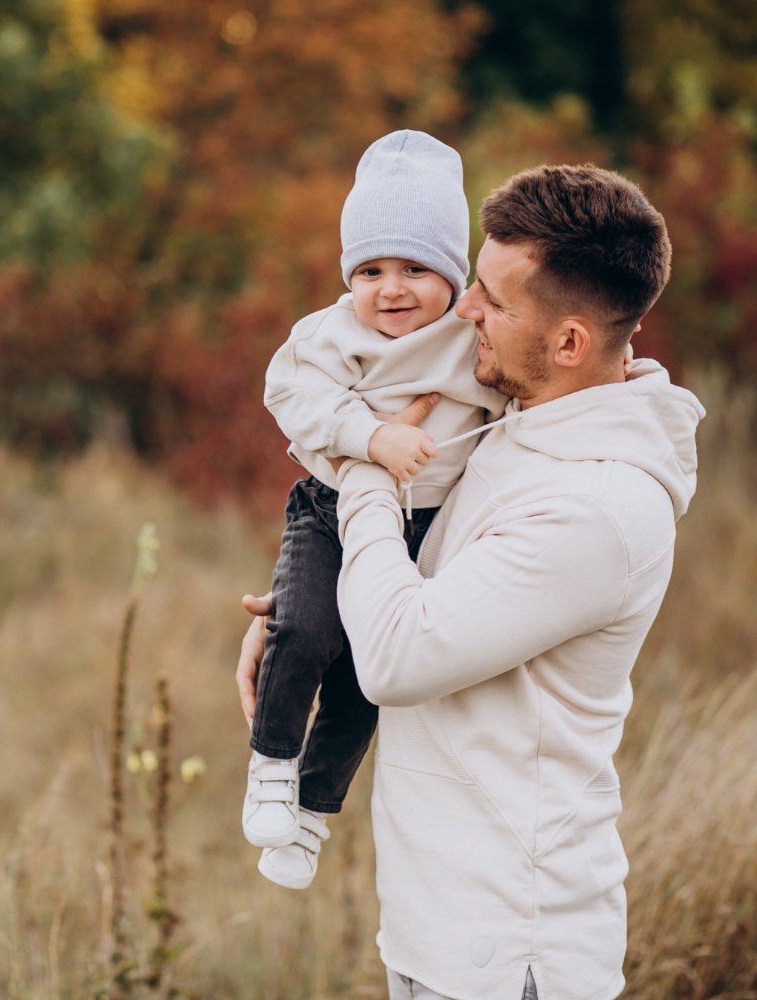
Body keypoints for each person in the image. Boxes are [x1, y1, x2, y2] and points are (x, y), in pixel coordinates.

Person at [236, 163, 705, 1000]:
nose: (462, 311)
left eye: (491, 298)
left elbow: (397, 656)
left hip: (509, 955)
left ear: (568, 343)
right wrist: (304, 615)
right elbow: (422, 576)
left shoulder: (596, 507)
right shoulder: (526, 416)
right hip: (438, 929)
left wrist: (368, 460)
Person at [241, 130, 506, 890]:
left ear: (454, 277)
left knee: (368, 674)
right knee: (304, 633)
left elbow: (521, 392)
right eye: (371, 270)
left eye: (416, 269)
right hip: (331, 511)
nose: (392, 289)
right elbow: (290, 397)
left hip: (424, 528)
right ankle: (271, 765)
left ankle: (314, 815)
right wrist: (371, 435)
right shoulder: (330, 334)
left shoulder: (470, 338)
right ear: (348, 277)